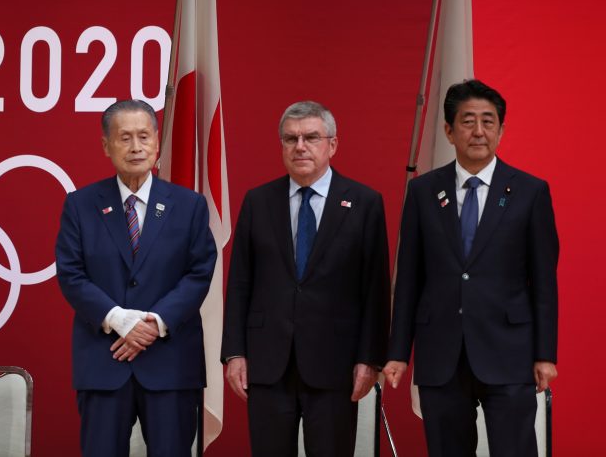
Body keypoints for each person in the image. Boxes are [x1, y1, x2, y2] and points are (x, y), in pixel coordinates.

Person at [384, 79, 559, 457]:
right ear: (448, 130)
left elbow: (544, 281)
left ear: (501, 129)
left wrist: (545, 354)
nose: (478, 131)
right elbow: (409, 278)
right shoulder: (423, 192)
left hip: (509, 352)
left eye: (488, 121)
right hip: (441, 354)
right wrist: (398, 351)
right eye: (467, 121)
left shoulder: (530, 192)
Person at [221, 101, 390, 457]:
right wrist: (234, 352)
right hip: (268, 363)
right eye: (290, 138)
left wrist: (370, 358)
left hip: (335, 365)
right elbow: (239, 284)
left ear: (332, 145)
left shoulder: (364, 202)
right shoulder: (257, 201)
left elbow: (375, 290)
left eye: (311, 137)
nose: (300, 146)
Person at [55, 99, 217, 457]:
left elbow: (199, 271)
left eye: (144, 136)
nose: (136, 147)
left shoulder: (189, 205)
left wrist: (154, 322)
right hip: (104, 360)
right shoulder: (80, 205)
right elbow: (71, 273)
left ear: (157, 143)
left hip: (170, 363)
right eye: (124, 137)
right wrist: (120, 319)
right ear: (106, 145)